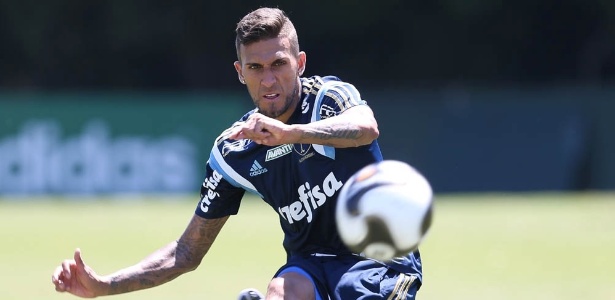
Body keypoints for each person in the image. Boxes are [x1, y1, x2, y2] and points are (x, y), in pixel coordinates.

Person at [51, 7, 423, 300]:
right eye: (255, 68)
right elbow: (185, 253)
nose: (269, 79)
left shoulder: (329, 98)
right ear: (240, 72)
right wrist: (104, 286)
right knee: (282, 289)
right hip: (309, 266)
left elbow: (365, 128)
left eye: (279, 63)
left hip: (378, 255)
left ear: (301, 63)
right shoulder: (235, 150)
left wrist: (291, 134)